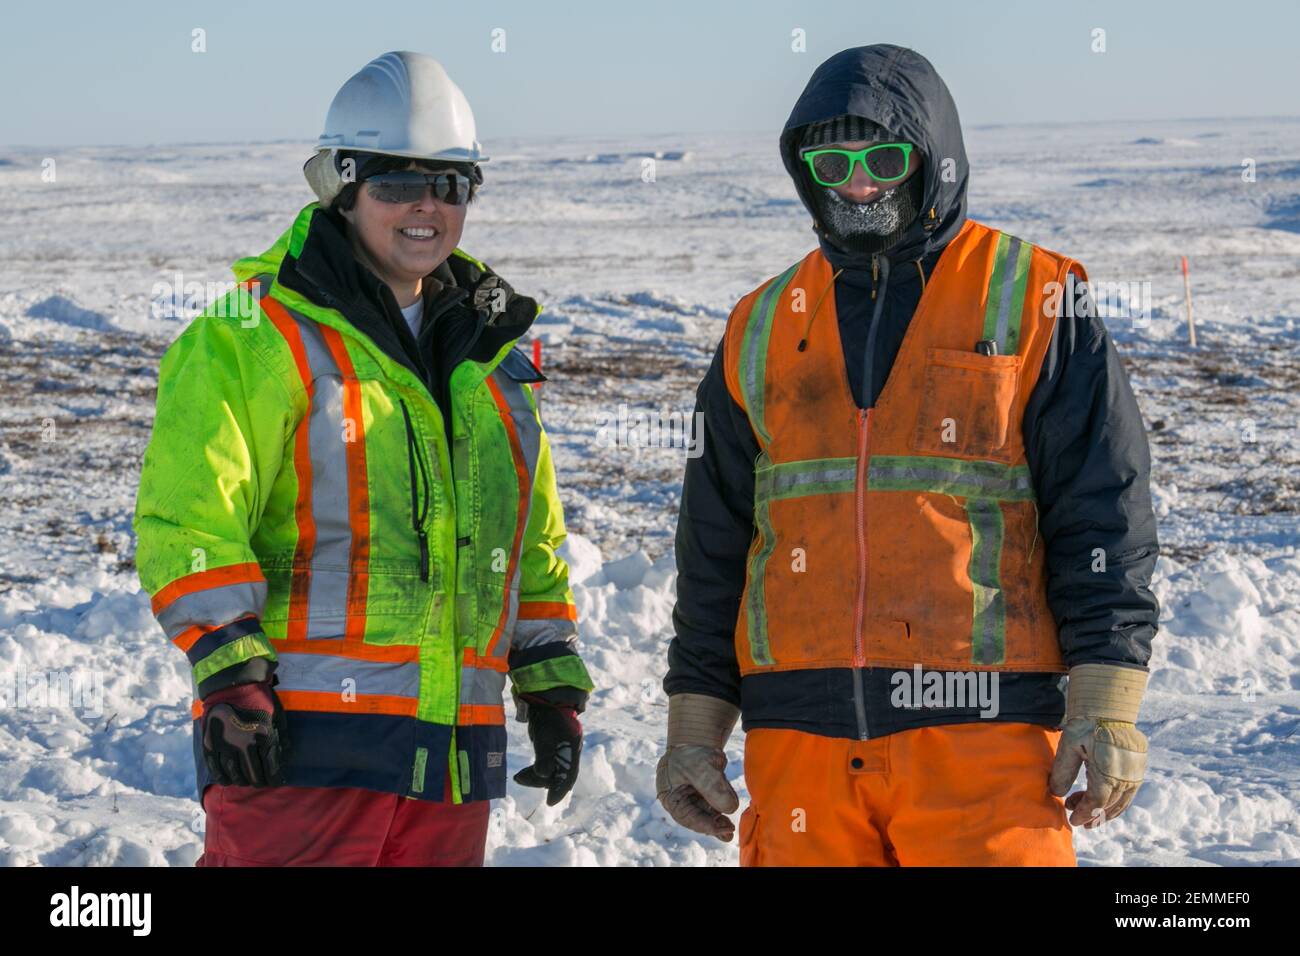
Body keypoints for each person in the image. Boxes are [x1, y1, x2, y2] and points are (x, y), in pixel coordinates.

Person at [657, 44, 1160, 866]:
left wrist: (1106, 701)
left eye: (884, 158)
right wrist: (694, 728)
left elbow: (1102, 514)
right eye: (832, 160)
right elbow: (713, 547)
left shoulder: (1033, 299)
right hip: (800, 754)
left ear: (935, 162)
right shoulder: (759, 325)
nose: (857, 183)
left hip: (982, 745)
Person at [134, 51, 594, 866]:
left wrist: (548, 672)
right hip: (296, 749)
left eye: (450, 185)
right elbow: (190, 515)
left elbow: (526, 535)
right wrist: (230, 674)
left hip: (448, 756)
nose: (426, 206)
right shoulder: (252, 336)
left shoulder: (491, 355)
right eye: (395, 183)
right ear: (342, 189)